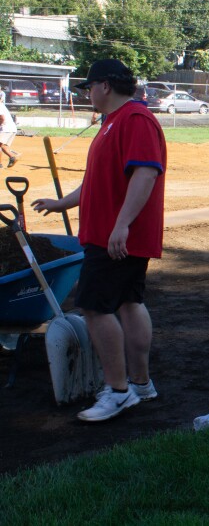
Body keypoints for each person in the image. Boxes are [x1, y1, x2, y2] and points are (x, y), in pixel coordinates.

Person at [32, 59, 167, 423]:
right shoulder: (112, 123)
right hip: (113, 235)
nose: (86, 94)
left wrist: (121, 225)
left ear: (104, 86)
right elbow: (98, 181)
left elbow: (145, 173)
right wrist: (61, 203)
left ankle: (118, 391)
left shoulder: (134, 119)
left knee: (94, 307)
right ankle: (140, 385)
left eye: (88, 87)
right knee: (128, 303)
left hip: (115, 237)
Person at [0, 102, 22, 168]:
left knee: (1, 145)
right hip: (11, 128)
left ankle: (12, 157)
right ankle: (10, 158)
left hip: (5, 128)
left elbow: (2, 118)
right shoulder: (1, 105)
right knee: (3, 146)